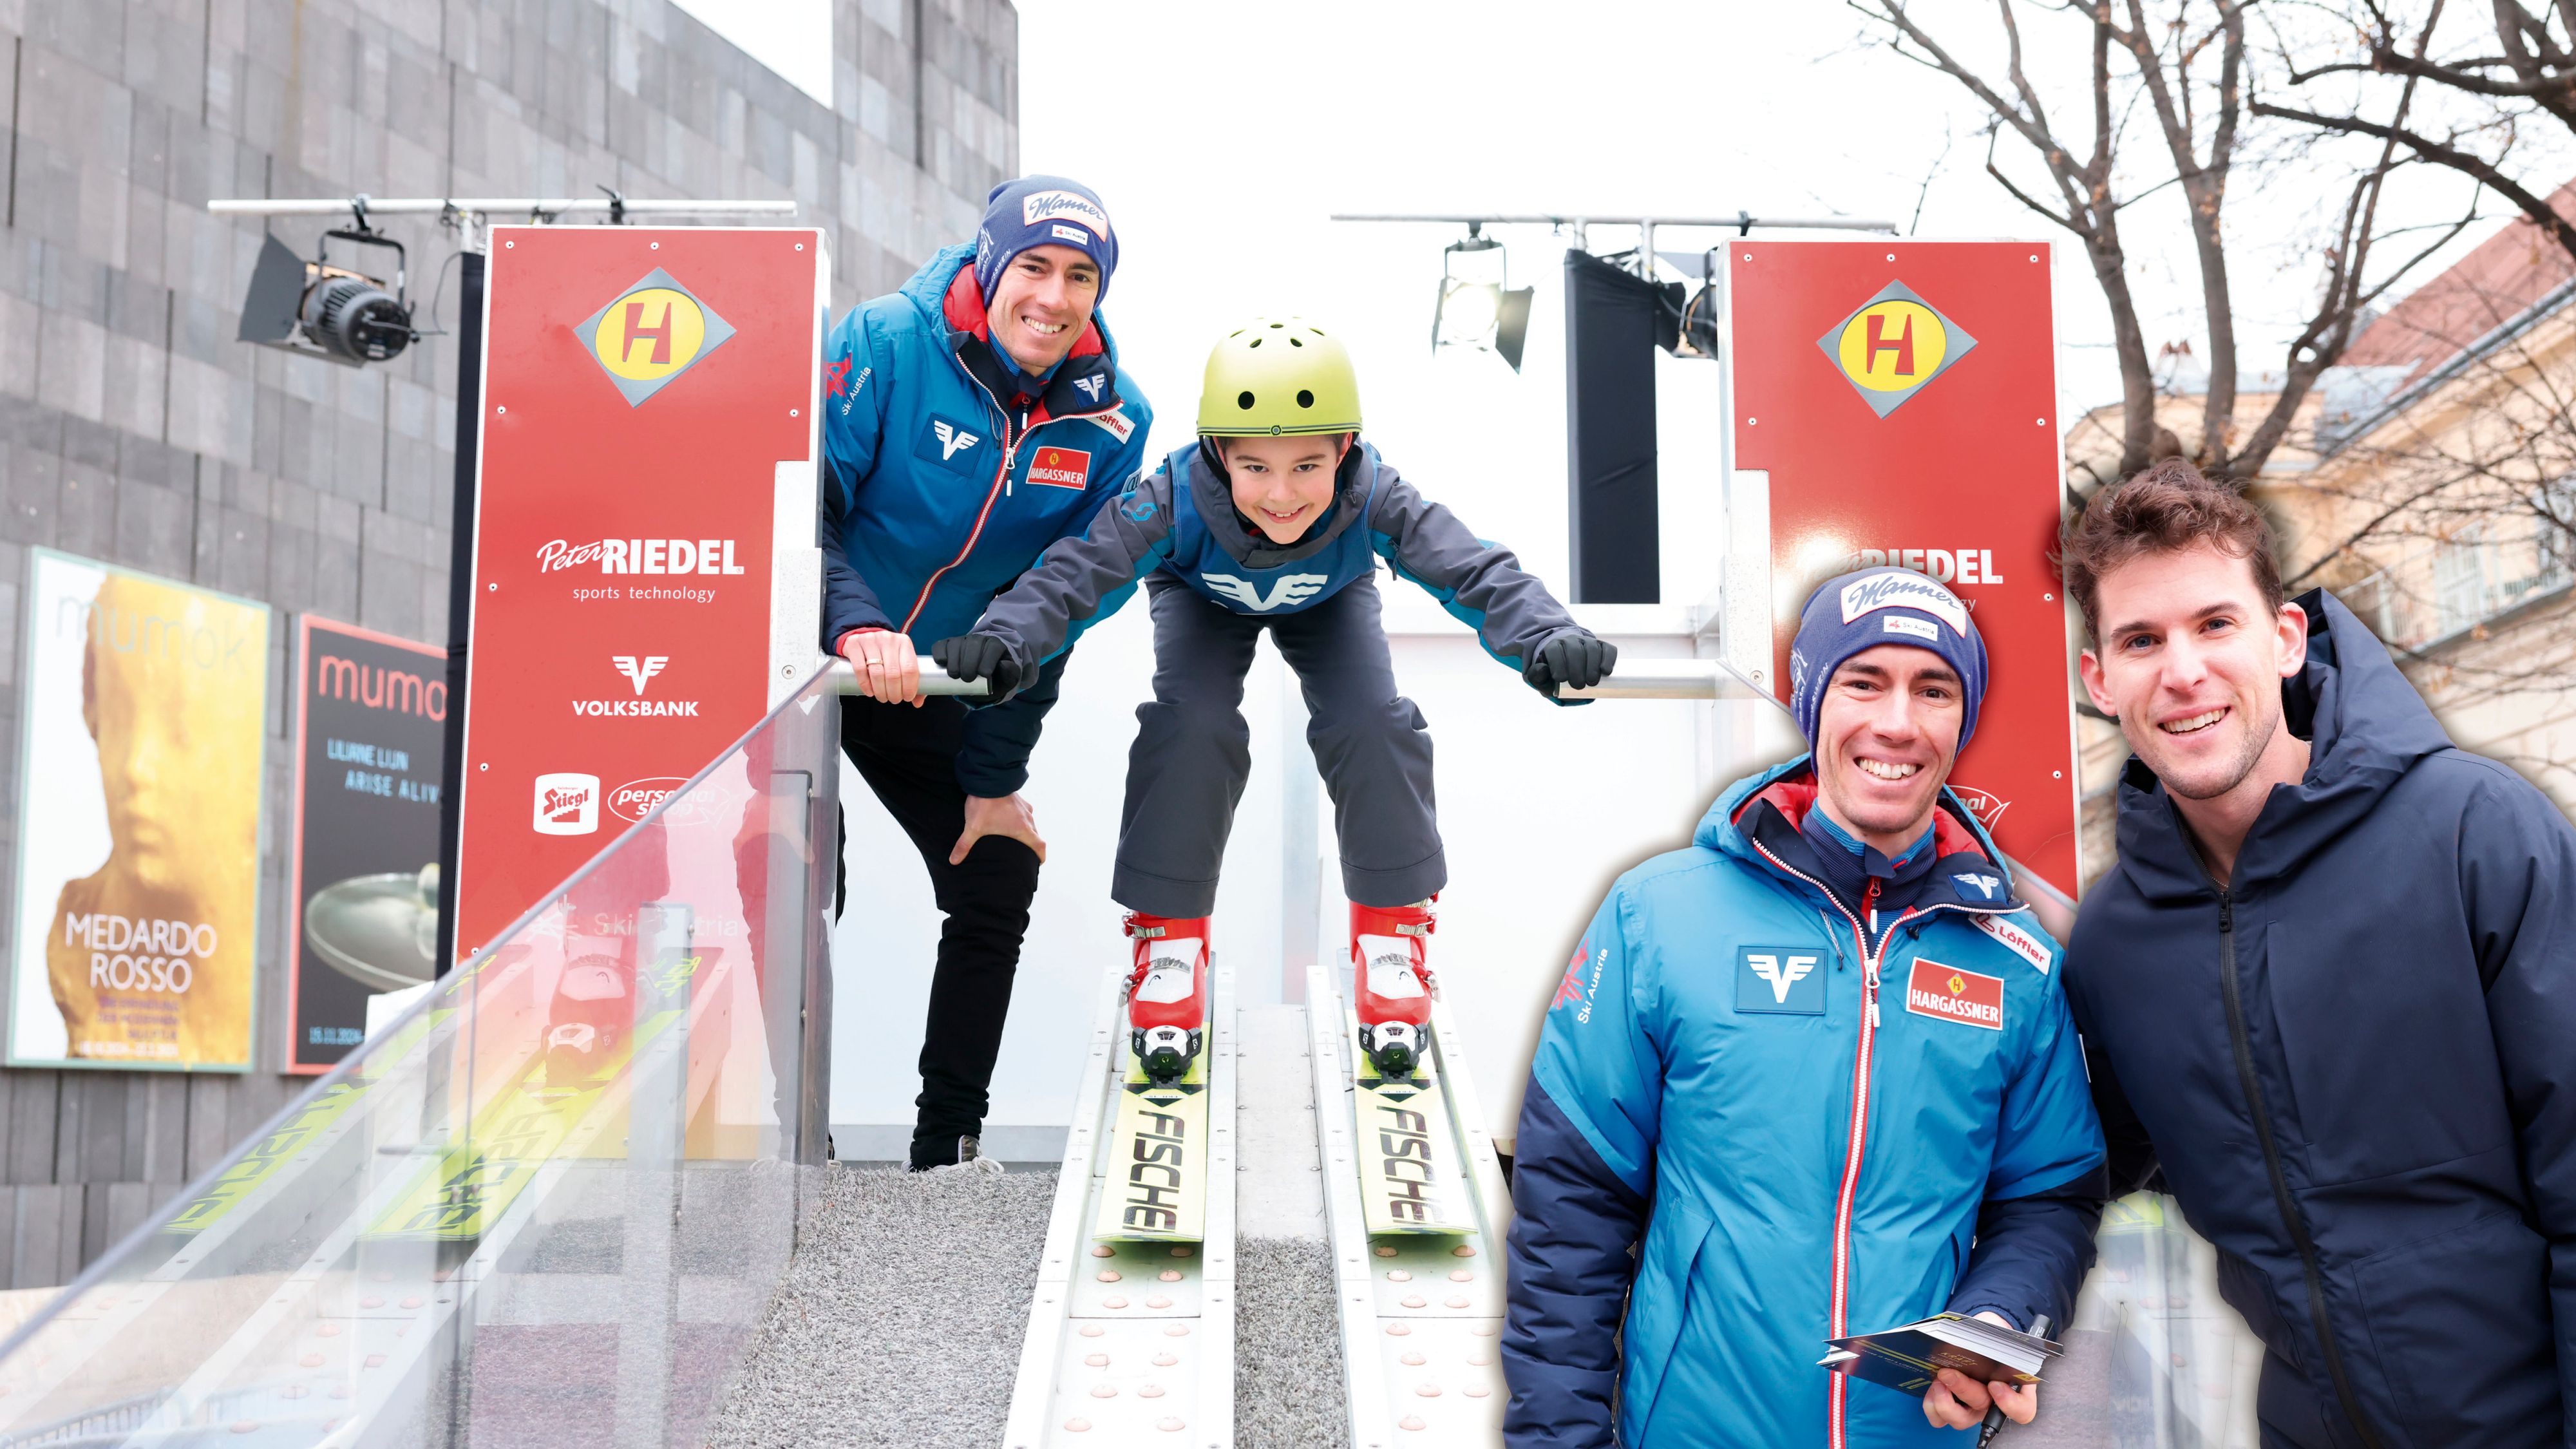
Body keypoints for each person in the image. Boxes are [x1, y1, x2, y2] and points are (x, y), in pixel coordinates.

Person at [1502, 566, 2107, 1448]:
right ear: (1814, 700)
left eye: (1933, 689)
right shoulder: (1660, 915)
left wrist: (1999, 1318)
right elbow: (1571, 1207)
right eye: (1865, 681)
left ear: (1961, 721)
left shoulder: (2018, 961)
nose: (1897, 722)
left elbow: (2048, 1198)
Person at [932, 318, 1614, 1083]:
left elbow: (1472, 569)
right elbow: (1076, 574)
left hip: (1328, 596)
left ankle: (1391, 937)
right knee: (1190, 725)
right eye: (1255, 467)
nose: (1281, 495)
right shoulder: (1170, 497)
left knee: (1370, 721)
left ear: (1346, 451)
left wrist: (1548, 636)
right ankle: (1169, 941)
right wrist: (1006, 639)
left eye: (1308, 467)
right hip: (1201, 598)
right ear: (1219, 455)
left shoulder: (1376, 496)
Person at [2060, 458, 2576, 1448]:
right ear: (2100, 679)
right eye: (2141, 639)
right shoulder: (2116, 942)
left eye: (2216, 623)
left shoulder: (2473, 831)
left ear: (2286, 637)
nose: (2183, 671)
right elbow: (2063, 1165)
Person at [819, 174, 1154, 1171]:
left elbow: (1062, 603)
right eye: (1036, 267)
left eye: (1080, 276)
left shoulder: (1111, 423)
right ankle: (786, 1141)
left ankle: (944, 1152)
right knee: (796, 866)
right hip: (808, 660)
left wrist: (994, 778)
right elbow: (803, 509)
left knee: (995, 865)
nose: (1053, 296)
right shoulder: (882, 341)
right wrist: (856, 623)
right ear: (991, 261)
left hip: (932, 685)